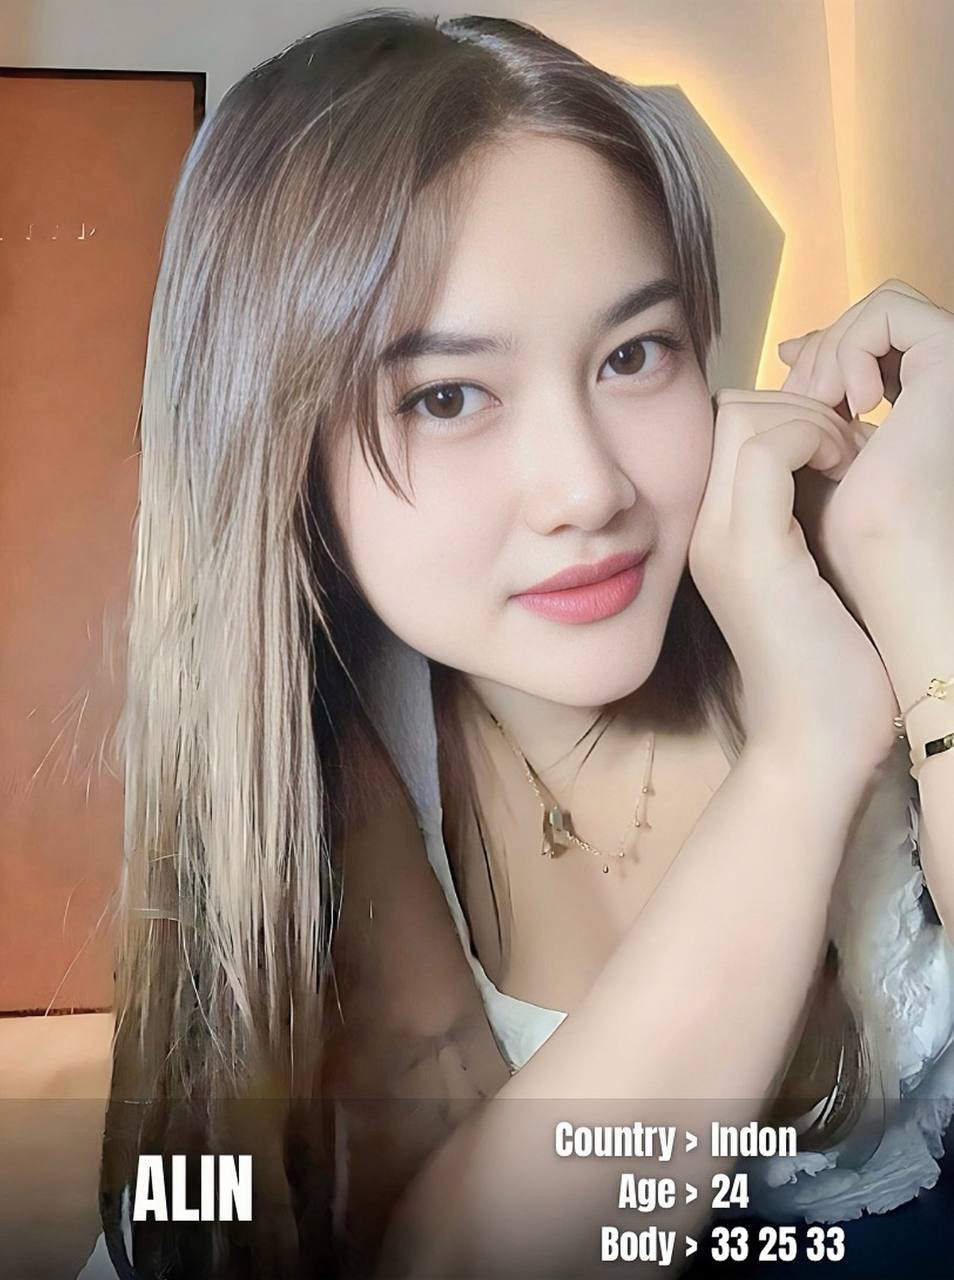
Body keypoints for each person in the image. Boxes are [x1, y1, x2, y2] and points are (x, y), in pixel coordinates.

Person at [79, 8, 954, 1278]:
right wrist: (810, 747)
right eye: (446, 396)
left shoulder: (841, 549)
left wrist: (916, 582)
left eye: (635, 353)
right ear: (280, 456)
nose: (586, 487)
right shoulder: (335, 760)